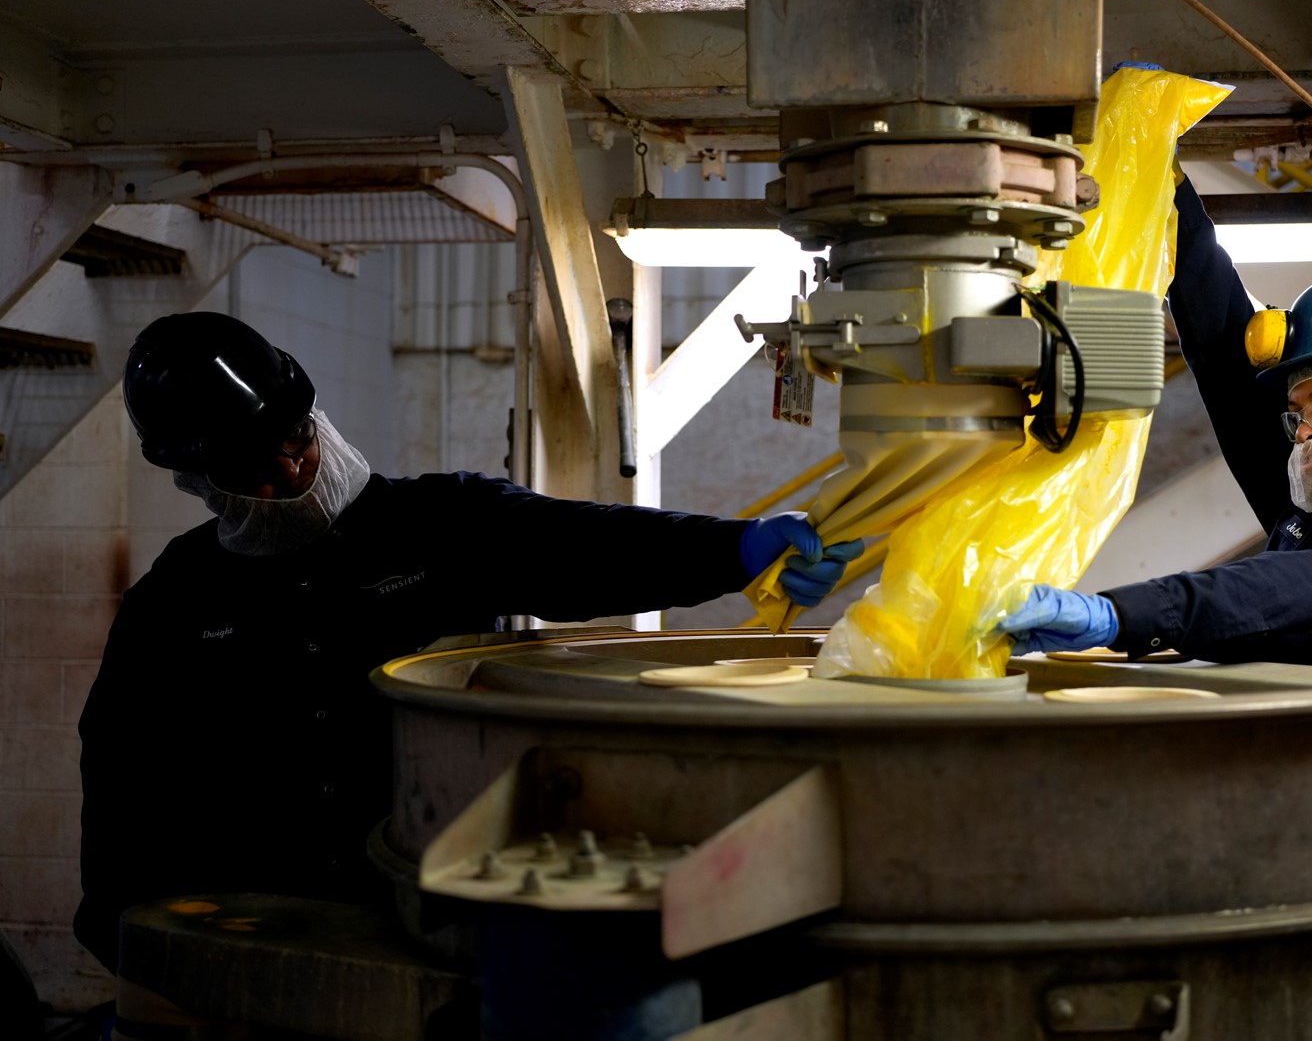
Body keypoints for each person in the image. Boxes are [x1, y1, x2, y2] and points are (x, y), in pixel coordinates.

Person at [75, 311, 863, 973]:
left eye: (297, 439)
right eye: (257, 471)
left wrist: (735, 548)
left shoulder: (438, 524)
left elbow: (588, 547)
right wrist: (128, 941)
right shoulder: (174, 602)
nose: (292, 469)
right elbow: (123, 777)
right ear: (201, 483)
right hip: (263, 939)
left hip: (434, 916)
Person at [1002, 175, 1312, 665]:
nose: (1304, 432)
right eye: (1297, 413)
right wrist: (1168, 188)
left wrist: (1123, 615)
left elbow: (1309, 589)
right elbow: (1224, 360)